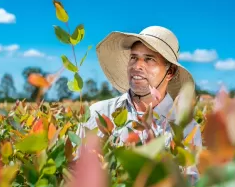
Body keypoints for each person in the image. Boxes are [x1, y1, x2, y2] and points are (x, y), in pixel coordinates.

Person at [78, 25, 202, 182]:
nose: (137, 66)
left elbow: (191, 181)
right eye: (134, 58)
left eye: (149, 59)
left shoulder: (186, 127)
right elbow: (75, 171)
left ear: (170, 72)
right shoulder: (98, 113)